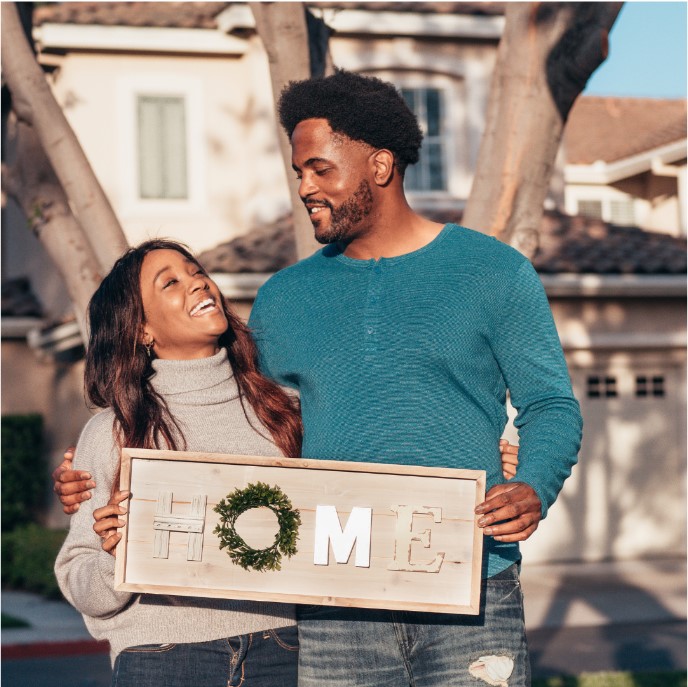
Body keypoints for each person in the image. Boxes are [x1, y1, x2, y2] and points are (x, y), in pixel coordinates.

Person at [55, 69, 580, 686]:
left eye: (320, 169)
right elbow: (241, 417)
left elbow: (551, 405)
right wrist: (102, 469)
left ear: (379, 167)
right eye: (299, 171)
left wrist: (534, 482)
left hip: (472, 583)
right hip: (333, 604)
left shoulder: (494, 273)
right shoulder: (284, 298)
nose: (304, 186)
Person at [54, 239, 301, 687]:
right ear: (141, 330)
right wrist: (117, 558)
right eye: (170, 282)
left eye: (195, 271)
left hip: (283, 649)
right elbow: (81, 581)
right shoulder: (113, 431)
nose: (197, 282)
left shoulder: (283, 410)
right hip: (163, 656)